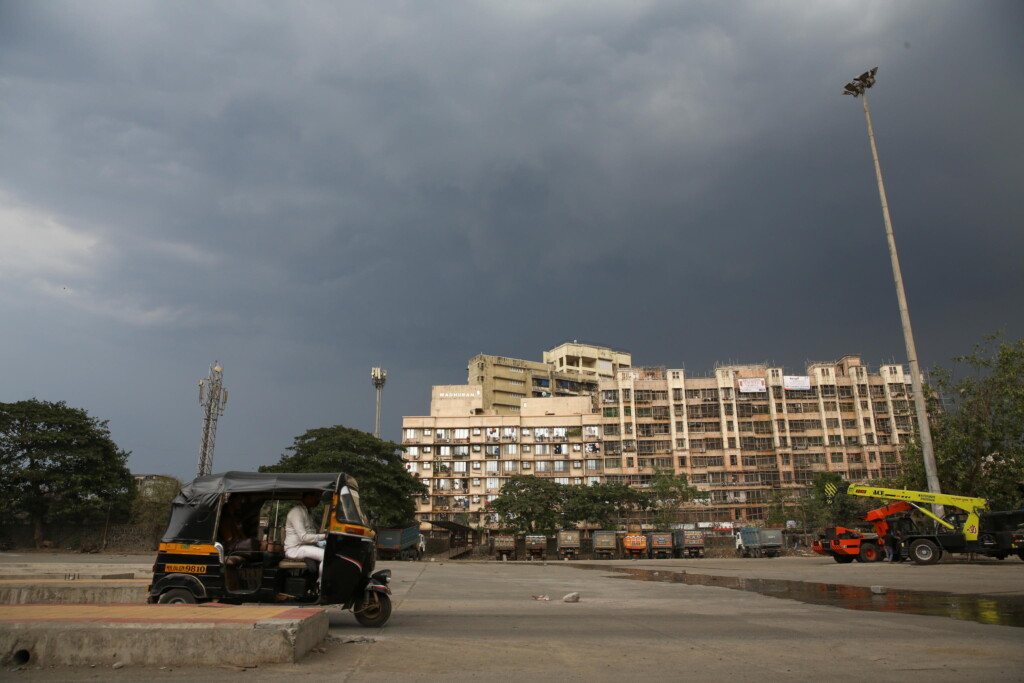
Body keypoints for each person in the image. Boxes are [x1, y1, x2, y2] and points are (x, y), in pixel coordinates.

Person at [285, 491, 327, 579]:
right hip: (295, 549)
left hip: (304, 547)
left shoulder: (307, 512)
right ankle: (320, 585)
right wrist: (324, 536)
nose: (318, 500)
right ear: (308, 498)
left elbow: (314, 532)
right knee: (326, 556)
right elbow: (304, 537)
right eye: (317, 497)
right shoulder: (297, 512)